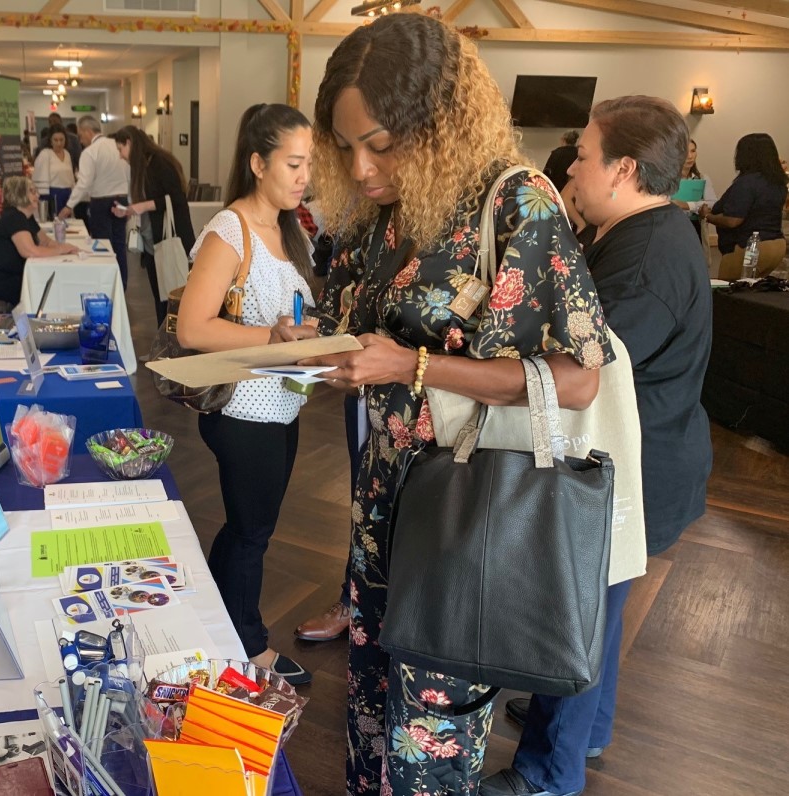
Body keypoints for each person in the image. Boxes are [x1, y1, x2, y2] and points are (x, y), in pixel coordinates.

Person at [298, 15, 612, 795]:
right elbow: (359, 330)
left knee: (430, 729)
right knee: (371, 703)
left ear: (439, 125)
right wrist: (313, 345)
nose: (361, 167)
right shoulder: (382, 214)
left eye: (381, 144)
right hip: (382, 492)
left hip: (464, 499)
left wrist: (412, 363)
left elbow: (577, 379)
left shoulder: (517, 203)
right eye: (345, 146)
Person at [481, 95, 713, 796]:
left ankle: (548, 774)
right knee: (597, 618)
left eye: (583, 157)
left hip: (635, 468)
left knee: (578, 620)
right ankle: (587, 725)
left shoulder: (645, 258)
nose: (571, 172)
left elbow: (582, 373)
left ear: (624, 169)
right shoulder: (641, 232)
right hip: (645, 456)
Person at [175, 103, 317, 688]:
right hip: (241, 408)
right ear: (258, 163)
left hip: (282, 402)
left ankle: (215, 626)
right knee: (252, 532)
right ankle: (249, 646)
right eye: (293, 164)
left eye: (308, 164)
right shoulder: (229, 231)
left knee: (248, 528)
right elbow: (193, 328)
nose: (304, 176)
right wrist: (273, 338)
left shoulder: (288, 230)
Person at [112, 125, 196, 325]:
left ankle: (171, 340)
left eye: (120, 149)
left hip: (168, 240)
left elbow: (176, 199)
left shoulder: (159, 163)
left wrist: (141, 206)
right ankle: (162, 339)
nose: (120, 156)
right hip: (154, 243)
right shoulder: (144, 166)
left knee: (170, 299)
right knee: (160, 298)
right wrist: (130, 210)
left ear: (130, 143)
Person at [0, 175, 79, 313]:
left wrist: (67, 249)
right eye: (32, 192)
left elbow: (46, 242)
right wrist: (62, 249)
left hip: (4, 281)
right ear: (19, 194)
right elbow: (30, 251)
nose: (37, 195)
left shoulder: (24, 216)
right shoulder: (13, 217)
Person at [58, 115, 132, 285]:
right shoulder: (118, 146)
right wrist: (129, 202)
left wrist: (69, 206)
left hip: (101, 203)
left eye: (80, 135)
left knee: (103, 246)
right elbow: (129, 176)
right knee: (119, 245)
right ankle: (121, 285)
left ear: (87, 131)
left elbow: (83, 183)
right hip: (121, 201)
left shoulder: (90, 152)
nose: (80, 140)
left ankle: (106, 284)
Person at [701, 132, 788, 277]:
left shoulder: (747, 183)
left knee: (730, 288)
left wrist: (708, 216)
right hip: (777, 245)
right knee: (754, 288)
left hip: (750, 247)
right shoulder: (778, 182)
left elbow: (733, 220)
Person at [670, 138, 716, 238]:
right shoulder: (666, 179)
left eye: (693, 151)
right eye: (685, 152)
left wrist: (688, 205)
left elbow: (712, 203)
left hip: (695, 227)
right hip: (671, 226)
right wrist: (698, 205)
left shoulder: (703, 178)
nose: (690, 156)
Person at [34, 123, 77, 217]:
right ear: (50, 141)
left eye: (61, 140)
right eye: (56, 140)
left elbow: (71, 177)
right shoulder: (45, 154)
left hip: (67, 195)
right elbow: (40, 178)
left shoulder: (67, 154)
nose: (59, 143)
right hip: (52, 196)